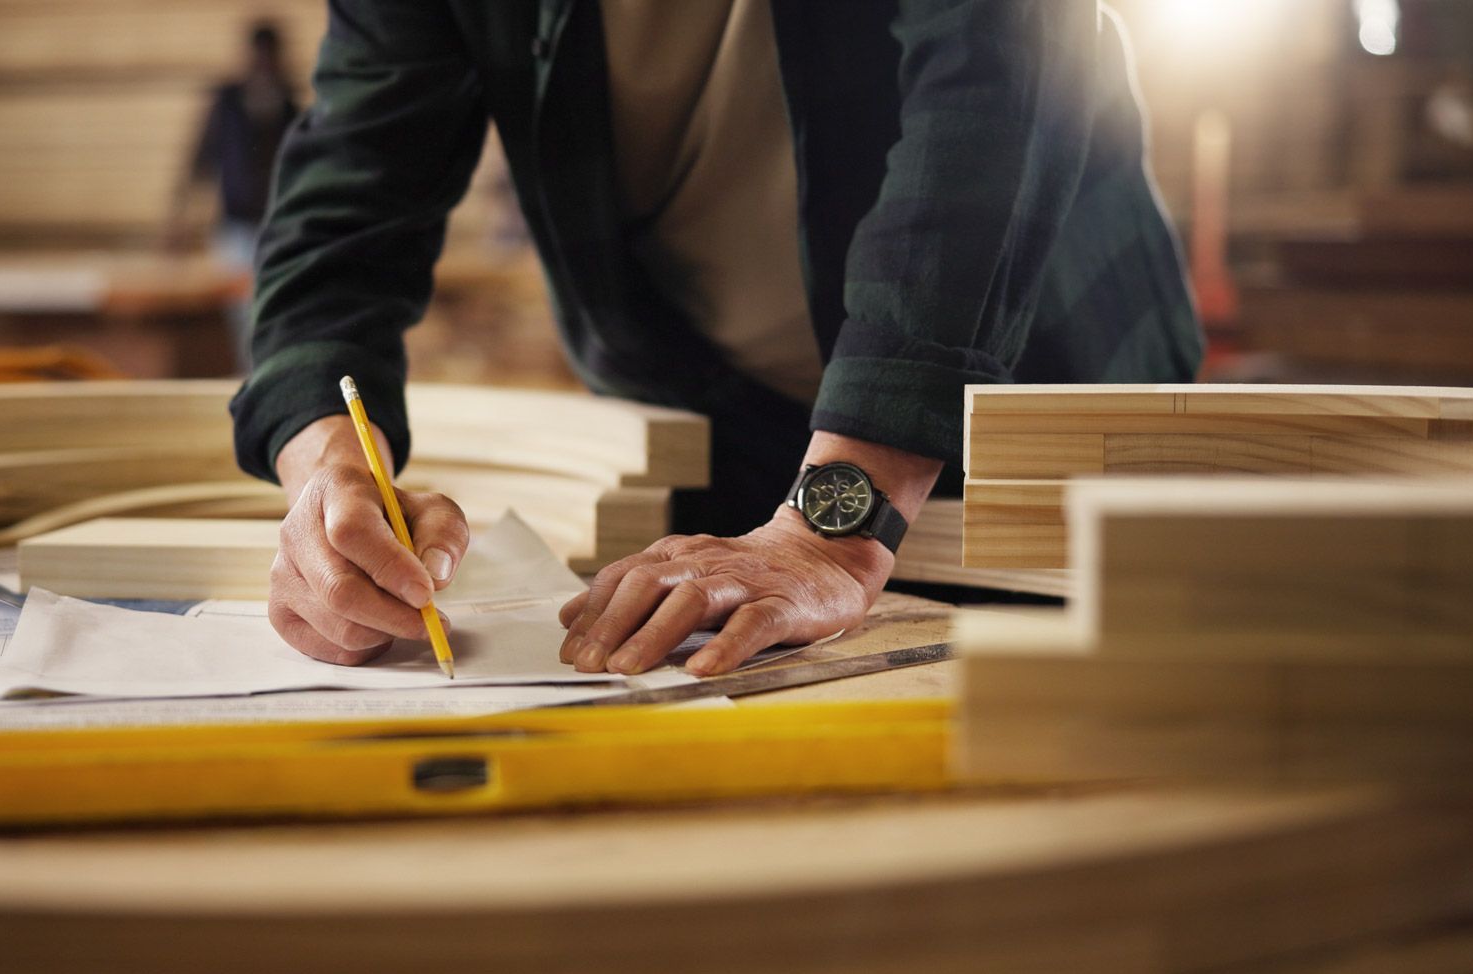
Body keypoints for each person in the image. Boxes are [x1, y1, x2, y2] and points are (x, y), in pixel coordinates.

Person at [232, 1, 1203, 677]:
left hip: (1037, 380)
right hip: (722, 413)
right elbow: (345, 209)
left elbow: (1002, 76)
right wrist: (330, 474)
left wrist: (836, 523)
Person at [171, 20, 301, 367]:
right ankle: (252, 374)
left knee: (274, 302)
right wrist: (180, 218)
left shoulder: (289, 106)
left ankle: (269, 371)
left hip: (275, 225)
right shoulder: (227, 101)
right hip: (234, 225)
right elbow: (200, 158)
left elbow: (300, 168)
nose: (265, 63)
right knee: (241, 311)